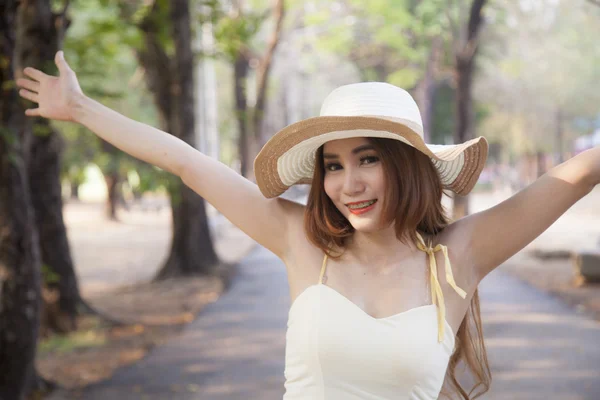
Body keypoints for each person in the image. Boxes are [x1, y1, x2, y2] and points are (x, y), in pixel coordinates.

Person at [17, 51, 600, 400]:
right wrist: (81, 109)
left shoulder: (456, 258)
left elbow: (571, 179)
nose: (349, 184)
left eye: (369, 158)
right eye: (333, 165)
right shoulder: (302, 243)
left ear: (407, 166)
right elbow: (186, 161)